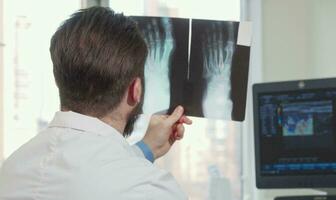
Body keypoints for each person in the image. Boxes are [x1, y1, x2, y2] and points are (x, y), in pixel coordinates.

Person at [0, 6, 192, 200]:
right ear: (136, 90)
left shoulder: (12, 170)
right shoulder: (151, 189)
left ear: (58, 79)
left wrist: (146, 148)